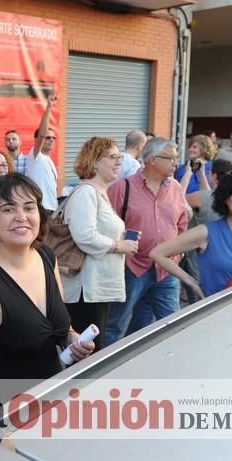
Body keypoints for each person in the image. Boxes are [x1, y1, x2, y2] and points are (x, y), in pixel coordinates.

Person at [0, 173, 94, 421]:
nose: (21, 217)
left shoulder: (46, 257)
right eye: (8, 209)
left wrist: (73, 339)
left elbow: (59, 325)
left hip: (52, 402)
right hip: (6, 417)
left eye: (29, 207)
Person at [104, 138, 188, 346]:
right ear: (152, 160)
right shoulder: (122, 188)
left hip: (166, 270)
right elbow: (107, 226)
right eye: (170, 158)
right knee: (115, 324)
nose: (175, 163)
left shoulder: (175, 188)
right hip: (131, 269)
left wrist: (178, 254)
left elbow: (182, 223)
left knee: (172, 324)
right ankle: (101, 372)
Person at [151, 169, 232, 298]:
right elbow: (157, 253)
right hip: (219, 314)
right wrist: (191, 283)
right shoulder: (206, 233)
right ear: (226, 198)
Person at [60, 138, 138, 351]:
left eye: (119, 157)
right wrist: (118, 245)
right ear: (94, 162)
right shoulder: (87, 192)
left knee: (92, 349)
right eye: (112, 157)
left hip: (97, 287)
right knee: (84, 352)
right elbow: (85, 236)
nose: (118, 162)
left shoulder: (100, 192)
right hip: (87, 289)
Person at [25, 94, 59, 212]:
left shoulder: (49, 160)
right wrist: (49, 107)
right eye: (48, 137)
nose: (51, 140)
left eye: (53, 138)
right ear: (37, 140)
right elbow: (42, 134)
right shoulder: (35, 156)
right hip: (41, 209)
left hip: (52, 209)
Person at [185, 159, 232, 226]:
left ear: (214, 176)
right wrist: (201, 173)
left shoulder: (200, 197)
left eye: (210, 170)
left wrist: (188, 173)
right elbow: (208, 195)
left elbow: (177, 199)